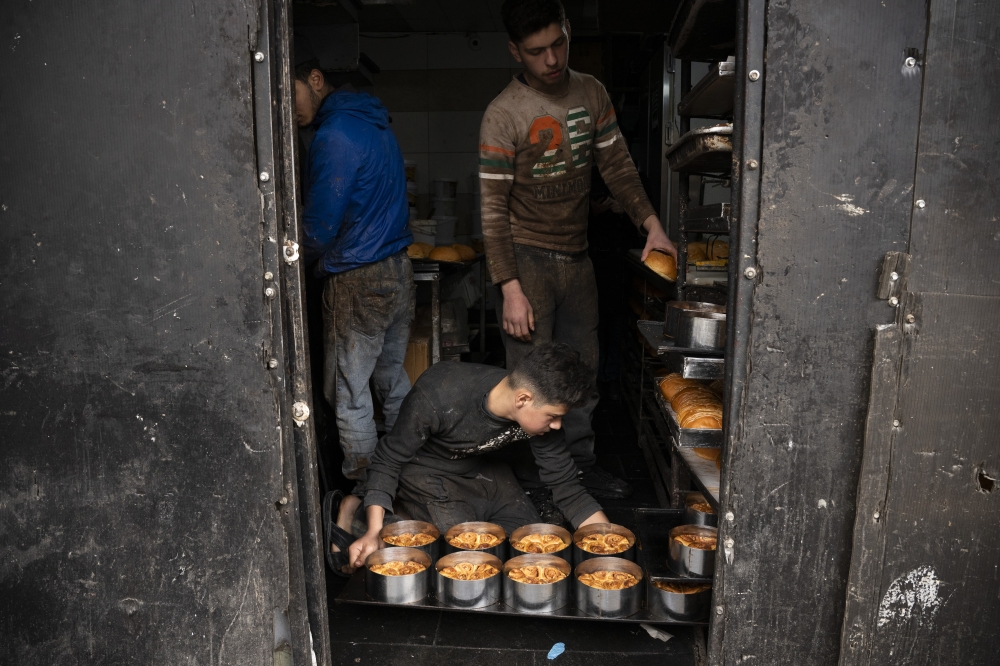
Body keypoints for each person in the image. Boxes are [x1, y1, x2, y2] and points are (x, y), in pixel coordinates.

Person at [477, 0, 677, 509]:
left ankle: (579, 474)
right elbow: (493, 210)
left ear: (567, 32)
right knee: (533, 386)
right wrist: (510, 287)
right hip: (526, 261)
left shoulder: (591, 92)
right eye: (537, 51)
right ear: (514, 51)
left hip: (577, 258)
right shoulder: (503, 114)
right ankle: (535, 485)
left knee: (582, 378)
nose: (551, 60)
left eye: (559, 44)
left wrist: (651, 224)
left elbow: (620, 169)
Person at [294, 39, 415, 566]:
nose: (287, 104)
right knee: (391, 380)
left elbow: (318, 226)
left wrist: (295, 255)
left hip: (358, 278)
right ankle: (412, 476)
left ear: (316, 80)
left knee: (350, 393)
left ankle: (367, 497)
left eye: (290, 90)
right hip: (397, 271)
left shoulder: (334, 135)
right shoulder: (375, 122)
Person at [344, 343, 611, 569]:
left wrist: (609, 547)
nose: (557, 426)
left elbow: (567, 487)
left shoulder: (537, 411)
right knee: (467, 556)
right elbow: (388, 459)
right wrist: (373, 532)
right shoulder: (438, 393)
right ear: (523, 399)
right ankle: (358, 511)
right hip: (424, 472)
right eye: (553, 417)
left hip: (480, 469)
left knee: (527, 544)